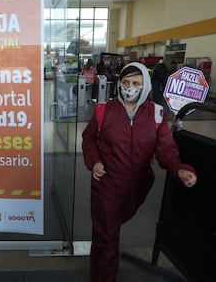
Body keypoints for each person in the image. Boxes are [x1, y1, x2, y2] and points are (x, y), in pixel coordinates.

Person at [81, 62, 197, 282]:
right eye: (125, 82)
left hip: (138, 187)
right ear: (119, 84)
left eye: (136, 83)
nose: (129, 87)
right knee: (106, 237)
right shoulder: (104, 111)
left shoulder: (156, 114)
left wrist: (179, 168)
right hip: (107, 185)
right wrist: (94, 162)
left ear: (145, 86)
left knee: (115, 225)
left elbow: (166, 150)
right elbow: (88, 140)